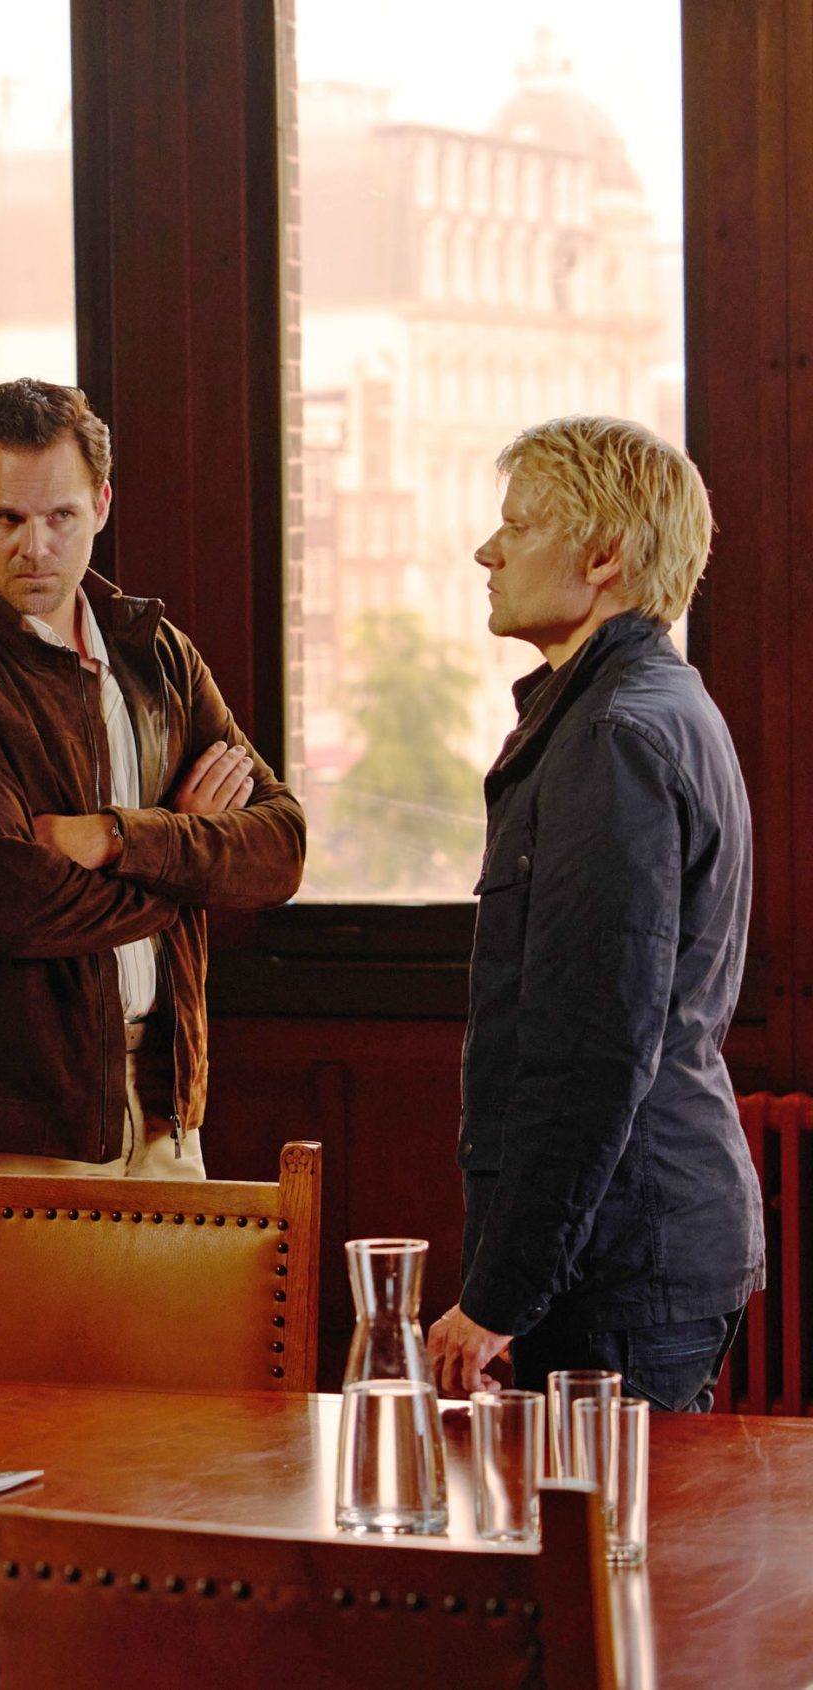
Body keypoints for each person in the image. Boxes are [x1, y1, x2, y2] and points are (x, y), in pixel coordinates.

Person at [0, 378, 305, 1177]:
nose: (35, 547)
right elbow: (16, 906)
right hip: (10, 1123)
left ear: (101, 505)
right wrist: (189, 864)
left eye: (61, 516)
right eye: (7, 518)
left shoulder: (155, 654)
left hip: (168, 1106)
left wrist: (116, 838)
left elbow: (280, 849)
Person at [425, 417, 762, 1412]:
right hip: (636, 1244)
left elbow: (591, 1049)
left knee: (607, 1520)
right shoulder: (645, 707)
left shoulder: (615, 734)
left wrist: (499, 1296)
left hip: (622, 1260)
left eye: (519, 525)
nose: (487, 552)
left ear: (604, 555)